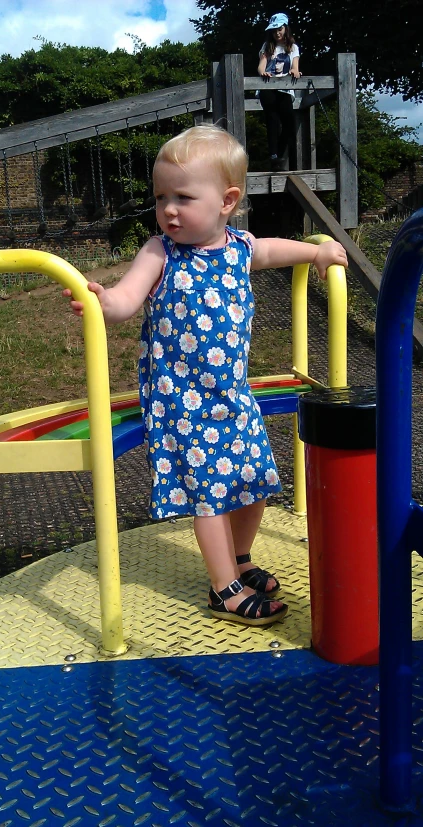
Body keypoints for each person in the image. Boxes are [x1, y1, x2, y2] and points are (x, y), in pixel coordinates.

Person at [64, 125, 347, 628]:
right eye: (161, 198)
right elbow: (127, 300)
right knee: (212, 492)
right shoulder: (160, 252)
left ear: (227, 201)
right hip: (181, 400)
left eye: (183, 197)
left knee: (255, 481)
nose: (168, 209)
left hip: (231, 394)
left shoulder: (240, 246)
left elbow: (274, 251)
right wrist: (103, 301)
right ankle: (223, 589)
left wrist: (317, 251)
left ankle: (239, 560)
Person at [257, 12, 301, 171]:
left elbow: (295, 66)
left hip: (285, 89)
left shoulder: (293, 47)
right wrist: (263, 73)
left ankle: (279, 156)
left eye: (280, 29)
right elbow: (262, 65)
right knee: (272, 120)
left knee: (289, 124)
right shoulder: (267, 46)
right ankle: (274, 156)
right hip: (268, 87)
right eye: (274, 30)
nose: (277, 32)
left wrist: (295, 71)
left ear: (286, 28)